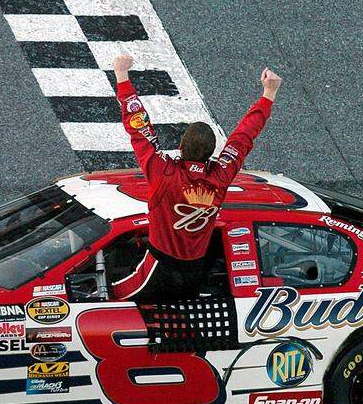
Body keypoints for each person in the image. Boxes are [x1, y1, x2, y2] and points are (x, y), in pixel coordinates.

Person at [110, 55, 281, 302]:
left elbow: (139, 128)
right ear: (212, 153)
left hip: (157, 268)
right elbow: (243, 138)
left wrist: (122, 76)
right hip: (196, 271)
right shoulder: (221, 175)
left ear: (180, 146)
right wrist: (268, 95)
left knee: (109, 298)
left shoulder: (163, 171)